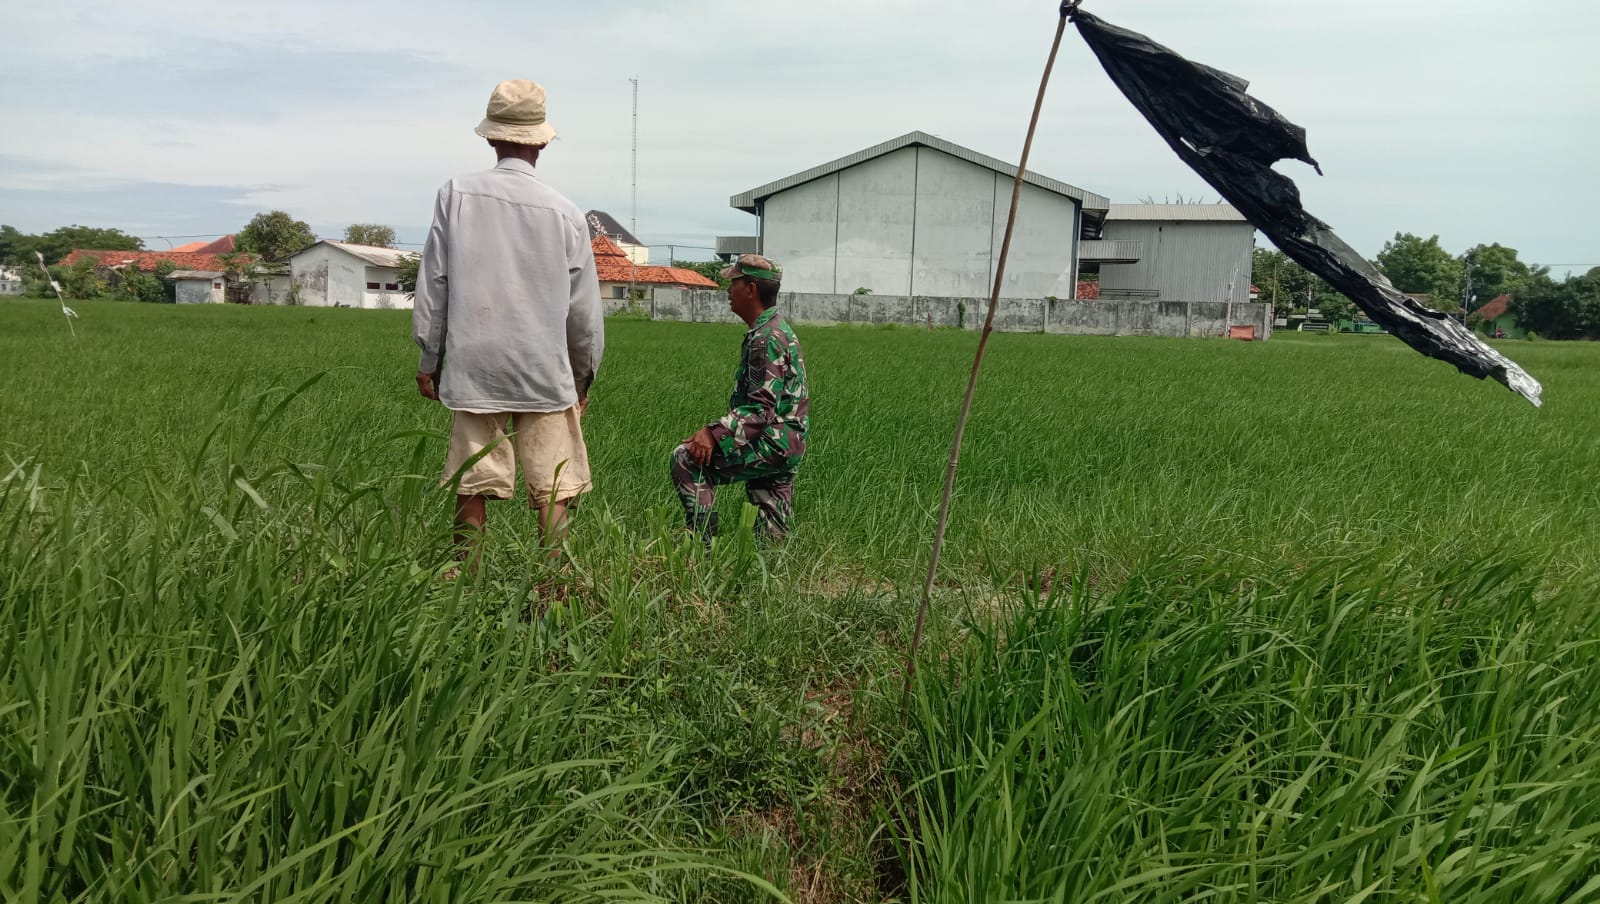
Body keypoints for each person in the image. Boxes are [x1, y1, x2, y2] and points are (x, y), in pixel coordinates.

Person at [412, 79, 604, 570]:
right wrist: (581, 378)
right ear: (541, 140)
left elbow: (436, 283)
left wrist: (429, 360)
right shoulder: (566, 213)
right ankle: (552, 589)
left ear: (491, 137)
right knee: (554, 485)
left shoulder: (456, 194)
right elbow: (583, 313)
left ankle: (465, 587)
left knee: (472, 476)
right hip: (543, 367)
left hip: (474, 364)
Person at [671, 254, 809, 543]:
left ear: (751, 289)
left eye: (733, 282)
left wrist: (713, 433)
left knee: (686, 458)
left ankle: (702, 546)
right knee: (771, 518)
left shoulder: (765, 338)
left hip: (773, 441)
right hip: (787, 441)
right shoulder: (777, 329)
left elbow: (760, 409)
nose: (728, 290)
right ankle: (770, 571)